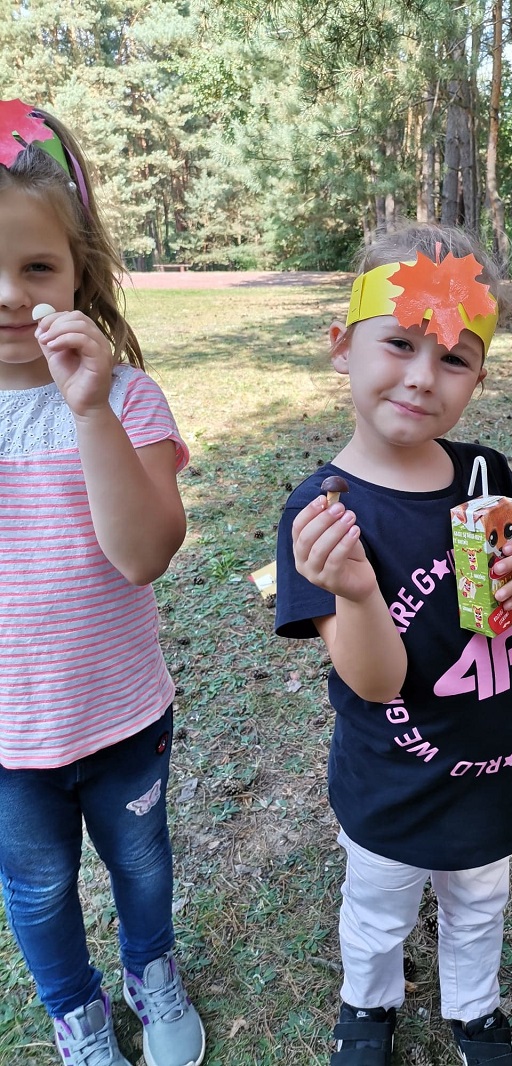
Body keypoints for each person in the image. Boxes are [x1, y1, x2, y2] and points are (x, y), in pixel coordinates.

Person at [275, 223, 512, 1065]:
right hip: (392, 780)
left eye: (454, 358)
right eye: (400, 343)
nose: (421, 376)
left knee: (480, 899)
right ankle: (368, 1004)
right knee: (379, 909)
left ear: (479, 376)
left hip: (490, 763)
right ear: (342, 346)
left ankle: (475, 1008)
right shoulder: (324, 510)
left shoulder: (484, 475)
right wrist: (357, 590)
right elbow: (375, 682)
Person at [0, 100, 205, 1066]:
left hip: (122, 715)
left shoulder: (127, 398)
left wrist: (89, 411)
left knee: (141, 865)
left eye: (37, 268)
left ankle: (150, 969)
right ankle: (75, 1011)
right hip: (8, 740)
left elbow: (144, 554)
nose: (9, 295)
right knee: (37, 892)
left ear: (79, 271)